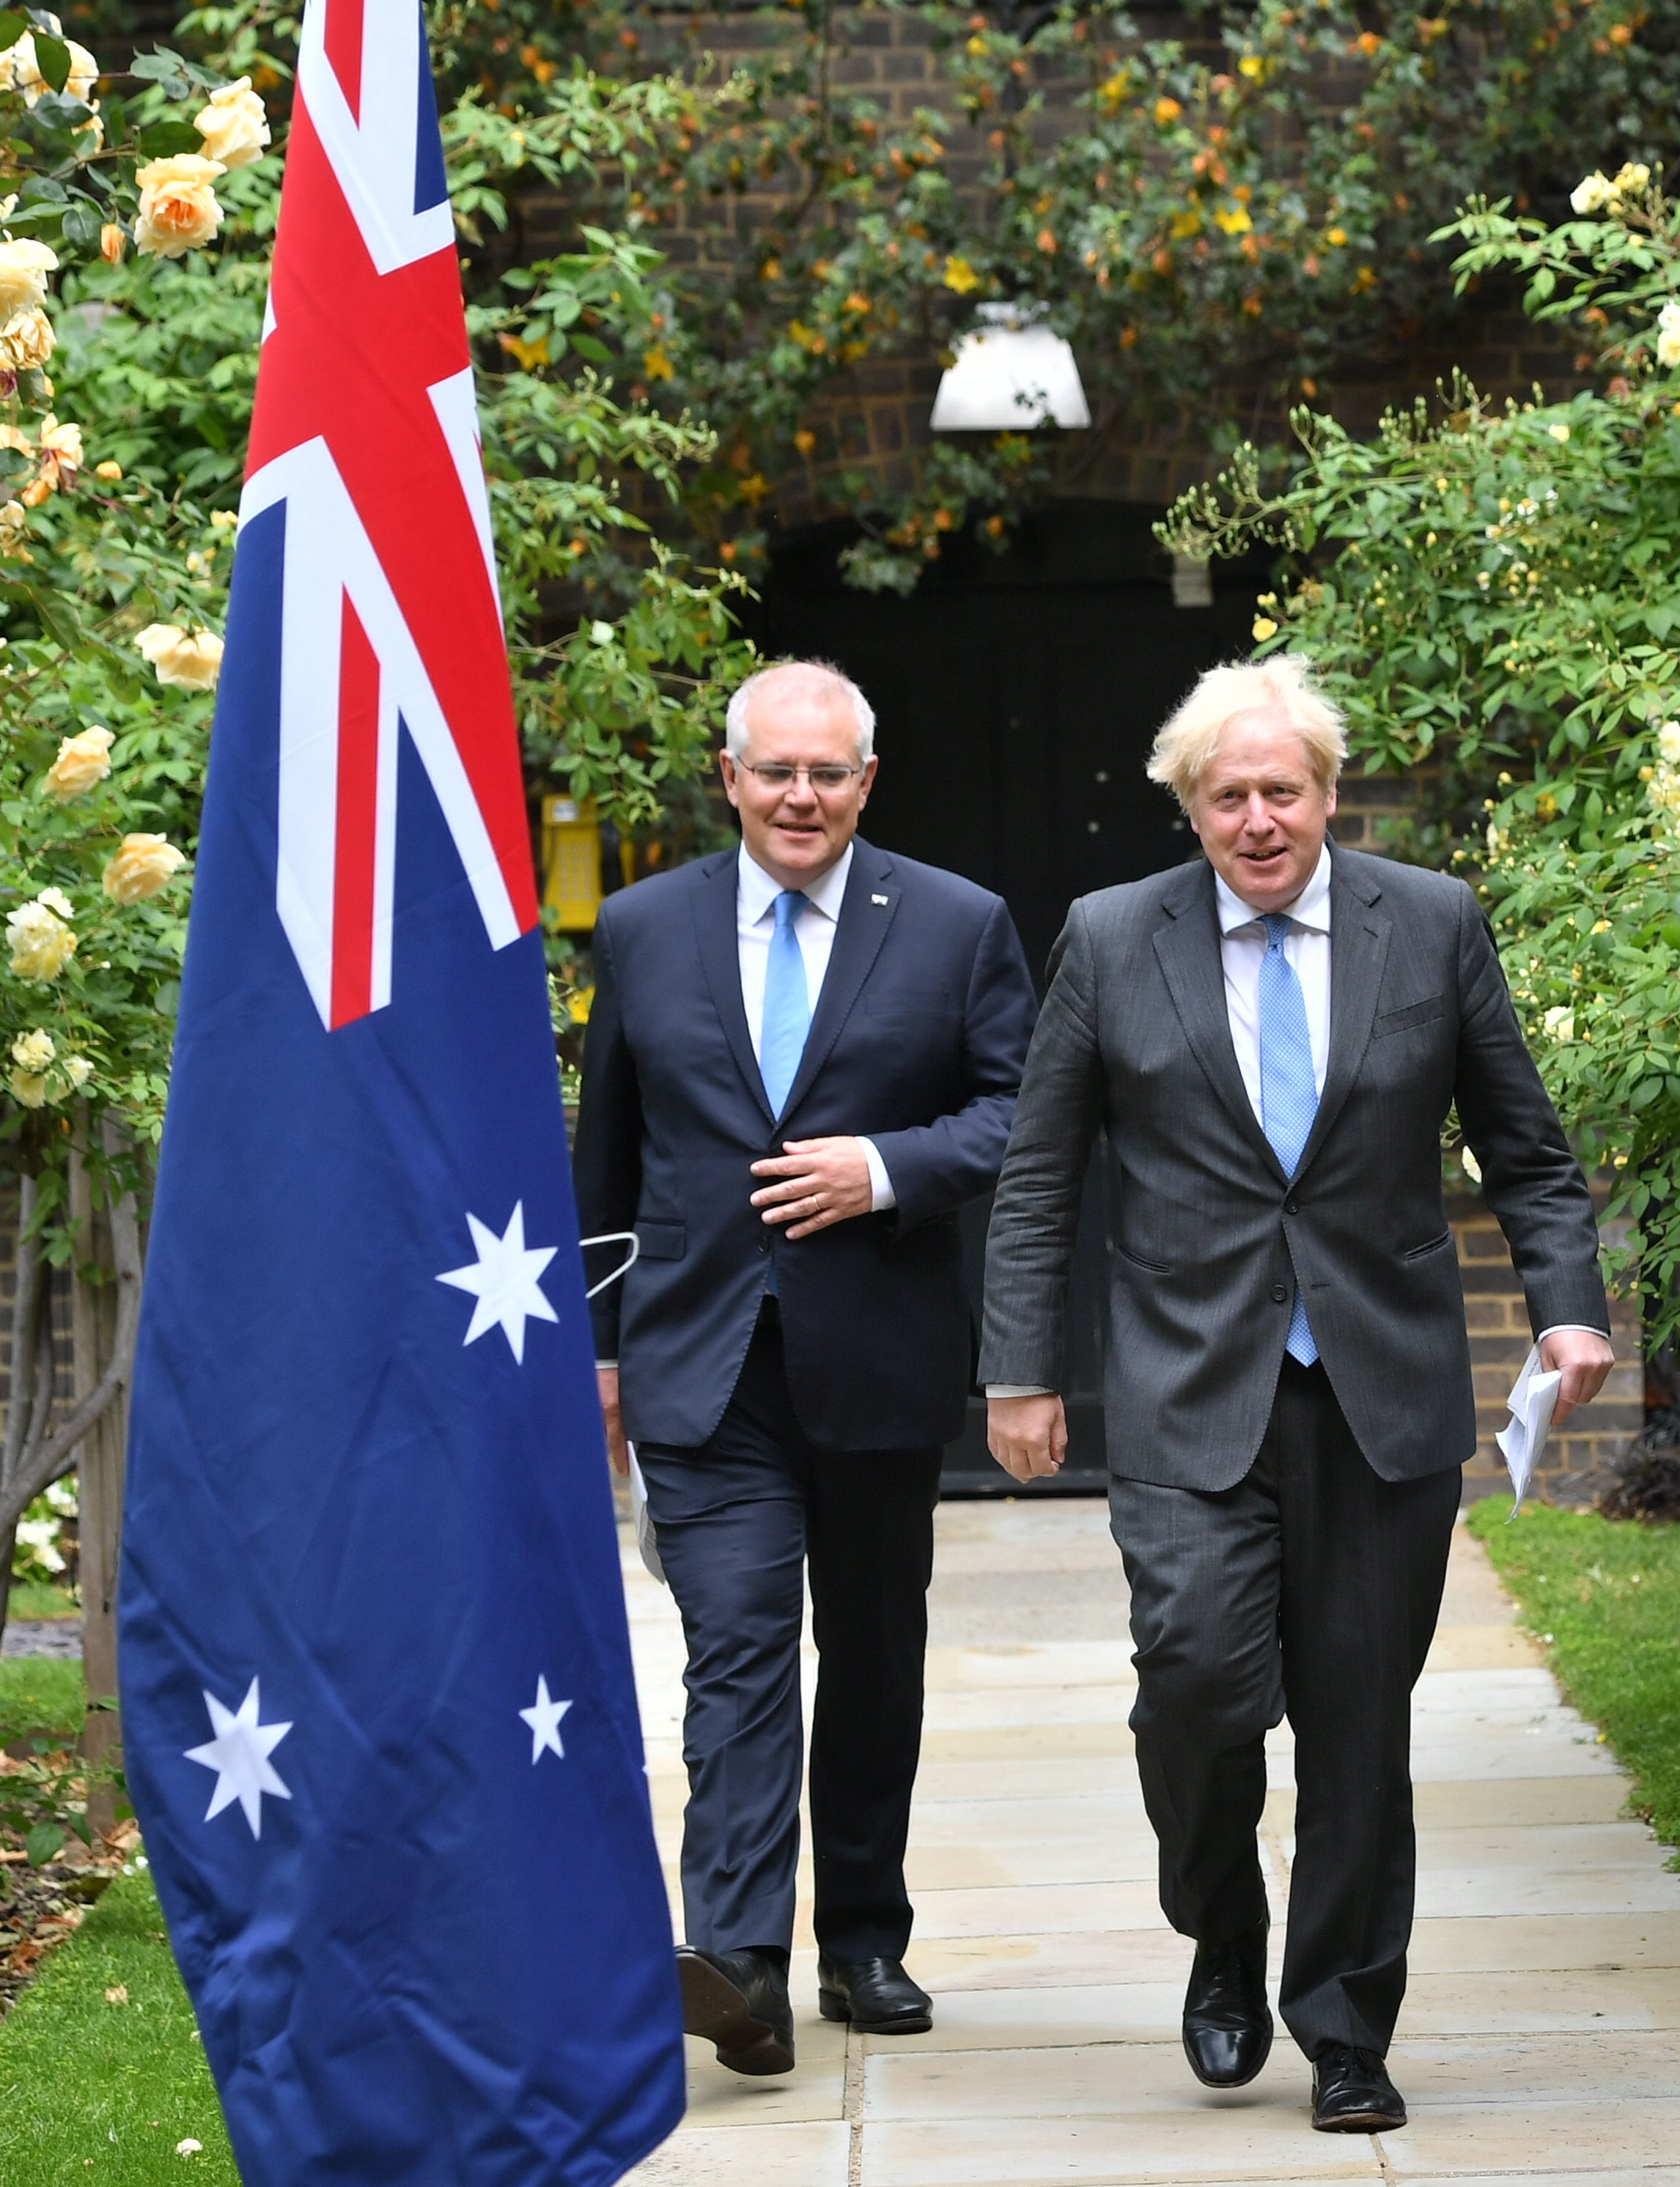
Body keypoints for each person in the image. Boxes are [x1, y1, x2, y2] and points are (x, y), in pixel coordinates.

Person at [977, 656, 1613, 2134]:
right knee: (1194, 1679)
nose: (1256, 819)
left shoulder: (1430, 924)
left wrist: (1567, 1308)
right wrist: (1018, 1369)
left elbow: (1523, 1143)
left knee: (1354, 1726)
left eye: (1281, 791)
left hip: (1380, 1389)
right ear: (1188, 810)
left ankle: (1343, 2027)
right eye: (1225, 796)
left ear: (1327, 795)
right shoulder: (1110, 936)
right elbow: (1035, 1169)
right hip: (1187, 1383)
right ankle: (1221, 1929)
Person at [573, 660, 1035, 2077]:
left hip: (878, 1359)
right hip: (700, 1360)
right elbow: (608, 1152)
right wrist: (594, 1355)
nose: (800, 795)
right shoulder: (643, 930)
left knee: (875, 1655)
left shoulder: (958, 926)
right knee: (739, 1651)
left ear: (866, 783)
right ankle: (744, 1963)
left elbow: (1023, 1116)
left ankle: (865, 1939)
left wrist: (887, 1167)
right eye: (775, 771)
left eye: (828, 772)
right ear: (729, 778)